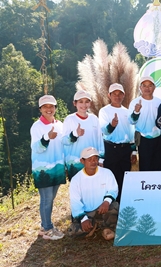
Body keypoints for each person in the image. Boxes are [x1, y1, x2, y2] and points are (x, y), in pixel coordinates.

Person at [30, 95, 65, 240]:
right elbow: (37, 148)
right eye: (45, 107)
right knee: (46, 198)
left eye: (51, 106)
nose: (49, 109)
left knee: (50, 198)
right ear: (40, 109)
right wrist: (46, 137)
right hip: (42, 169)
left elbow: (64, 143)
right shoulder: (37, 127)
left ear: (55, 108)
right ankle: (47, 228)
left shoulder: (60, 124)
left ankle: (45, 225)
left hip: (57, 167)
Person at [68, 147, 119, 240]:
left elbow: (113, 189)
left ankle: (106, 227)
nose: (93, 161)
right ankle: (97, 225)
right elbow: (75, 202)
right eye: (89, 159)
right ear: (82, 161)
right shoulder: (76, 179)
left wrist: (106, 202)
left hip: (103, 209)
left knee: (115, 206)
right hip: (86, 212)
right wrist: (83, 219)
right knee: (73, 231)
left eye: (95, 159)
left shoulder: (107, 173)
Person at [98, 83, 136, 202]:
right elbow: (104, 131)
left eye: (120, 94)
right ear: (109, 95)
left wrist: (134, 151)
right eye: (114, 94)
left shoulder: (127, 112)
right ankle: (111, 206)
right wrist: (112, 125)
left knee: (124, 178)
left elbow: (131, 133)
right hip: (110, 149)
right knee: (111, 179)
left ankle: (122, 205)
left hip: (125, 150)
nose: (117, 96)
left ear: (123, 95)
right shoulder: (104, 111)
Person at [63, 90, 104, 181]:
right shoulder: (69, 119)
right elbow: (64, 141)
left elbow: (99, 140)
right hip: (74, 164)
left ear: (90, 103)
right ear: (74, 103)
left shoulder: (94, 119)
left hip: (93, 163)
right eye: (80, 102)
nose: (84, 105)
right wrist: (75, 134)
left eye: (87, 102)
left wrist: (101, 159)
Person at [129, 76, 161, 171]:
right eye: (144, 86)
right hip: (143, 139)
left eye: (150, 86)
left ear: (154, 87)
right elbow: (132, 121)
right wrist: (136, 112)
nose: (147, 88)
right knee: (145, 166)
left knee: (158, 166)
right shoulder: (134, 102)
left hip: (158, 138)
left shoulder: (159, 102)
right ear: (140, 87)